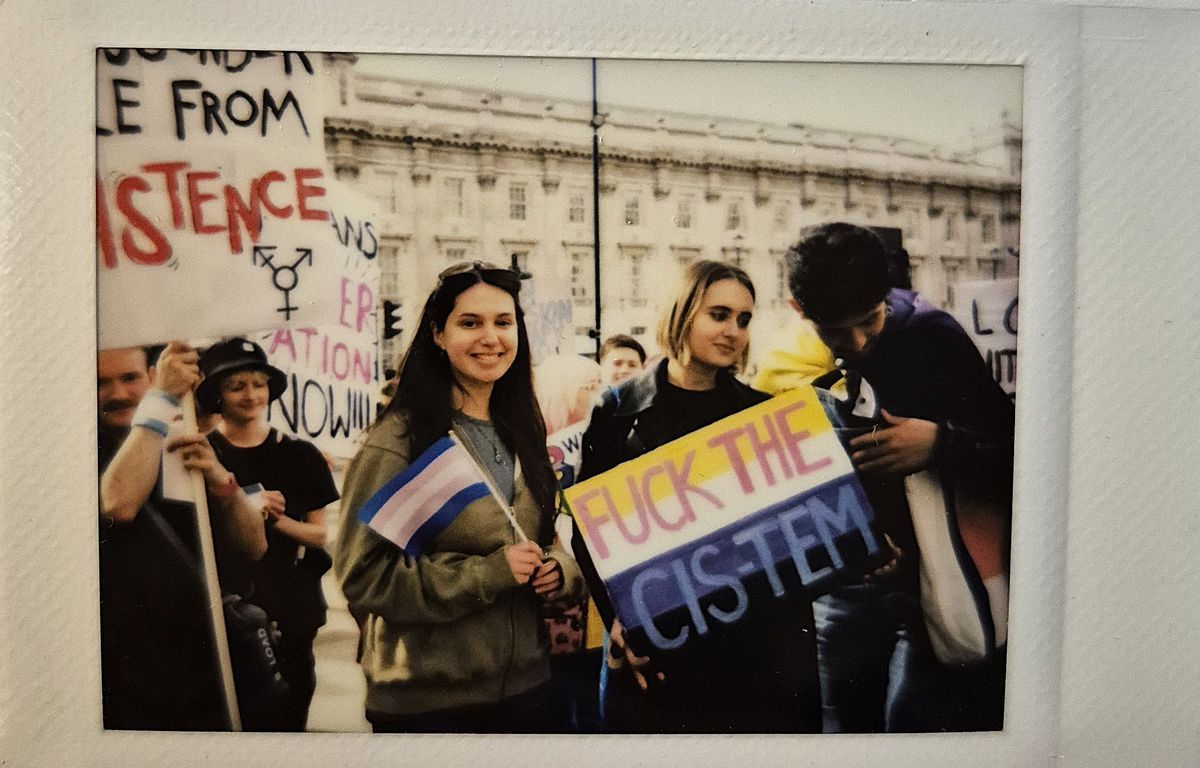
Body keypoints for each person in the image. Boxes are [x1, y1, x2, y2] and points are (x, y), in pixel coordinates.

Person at [777, 222, 1014, 731]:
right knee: (843, 728)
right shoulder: (787, 359)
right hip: (846, 588)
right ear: (799, 312)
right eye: (836, 330)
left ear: (888, 295)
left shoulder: (933, 337)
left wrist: (940, 442)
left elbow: (1018, 455)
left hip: (932, 596)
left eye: (870, 319)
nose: (858, 342)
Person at [573, 260, 822, 734]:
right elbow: (589, 530)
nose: (733, 331)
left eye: (744, 320)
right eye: (720, 314)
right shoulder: (617, 410)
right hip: (665, 647)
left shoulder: (763, 414)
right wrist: (619, 617)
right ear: (683, 313)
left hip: (752, 653)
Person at [335, 260, 584, 733]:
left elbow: (552, 538)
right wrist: (486, 574)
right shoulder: (398, 440)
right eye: (470, 323)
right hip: (429, 703)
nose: (490, 338)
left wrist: (560, 572)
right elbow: (361, 576)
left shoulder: (525, 431)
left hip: (530, 689)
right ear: (438, 334)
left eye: (503, 322)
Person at [98, 342, 267, 730]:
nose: (118, 393)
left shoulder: (190, 435)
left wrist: (222, 483)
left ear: (152, 374)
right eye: (102, 383)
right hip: (127, 673)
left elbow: (254, 546)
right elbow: (118, 503)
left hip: (208, 667)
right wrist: (159, 401)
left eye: (130, 378)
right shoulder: (80, 447)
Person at [196, 337, 339, 732]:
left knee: (288, 717)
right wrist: (243, 504)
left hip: (293, 605)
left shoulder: (301, 454)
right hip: (229, 608)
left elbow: (317, 535)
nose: (250, 395)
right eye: (236, 385)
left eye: (258, 384)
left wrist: (271, 518)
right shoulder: (201, 454)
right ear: (216, 395)